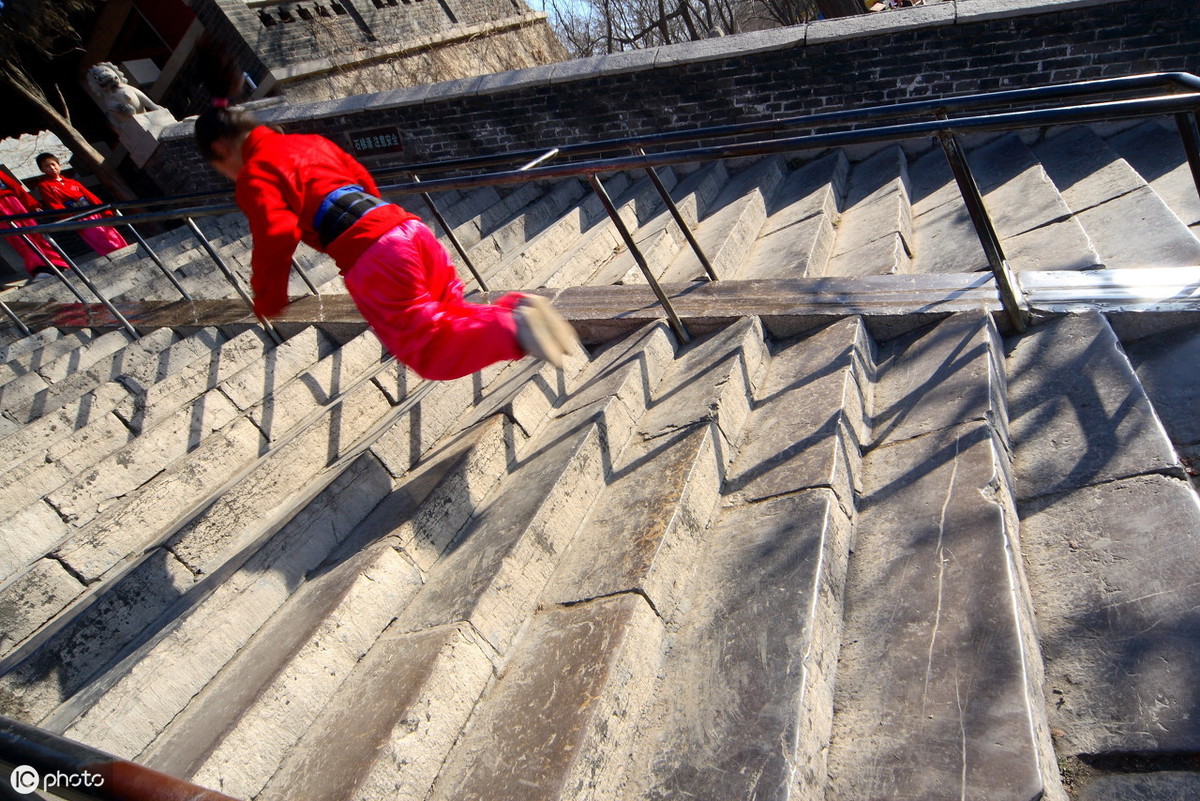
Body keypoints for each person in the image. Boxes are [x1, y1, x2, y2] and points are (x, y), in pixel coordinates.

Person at [194, 102, 578, 381]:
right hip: (409, 230)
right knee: (449, 311)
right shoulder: (309, 143)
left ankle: (514, 330)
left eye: (220, 169)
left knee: (427, 350)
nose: (229, 176)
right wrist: (387, 232)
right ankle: (516, 311)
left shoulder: (256, 173)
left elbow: (276, 231)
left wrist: (268, 297)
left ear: (221, 150)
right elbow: (363, 179)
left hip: (372, 252)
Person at [35, 153, 129, 257]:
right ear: (42, 170)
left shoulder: (72, 182)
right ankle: (117, 256)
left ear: (59, 165)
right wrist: (72, 220)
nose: (52, 168)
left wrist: (105, 212)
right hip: (78, 218)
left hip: (94, 213)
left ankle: (125, 252)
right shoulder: (45, 186)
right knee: (100, 239)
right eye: (47, 166)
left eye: (53, 164)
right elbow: (55, 204)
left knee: (110, 234)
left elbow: (91, 198)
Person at [0, 169, 70, 280]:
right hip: (2, 212)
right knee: (19, 239)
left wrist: (32, 205)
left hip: (14, 202)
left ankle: (57, 262)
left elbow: (16, 188)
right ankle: (40, 267)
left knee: (36, 233)